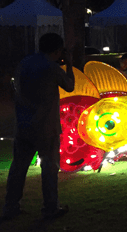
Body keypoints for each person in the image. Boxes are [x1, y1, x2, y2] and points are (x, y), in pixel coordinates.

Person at [3, 33, 74, 221]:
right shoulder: (51, 67)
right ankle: (50, 207)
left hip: (23, 124)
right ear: (58, 50)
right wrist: (69, 64)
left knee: (18, 168)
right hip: (46, 126)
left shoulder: (25, 63)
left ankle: (10, 206)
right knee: (49, 168)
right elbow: (70, 86)